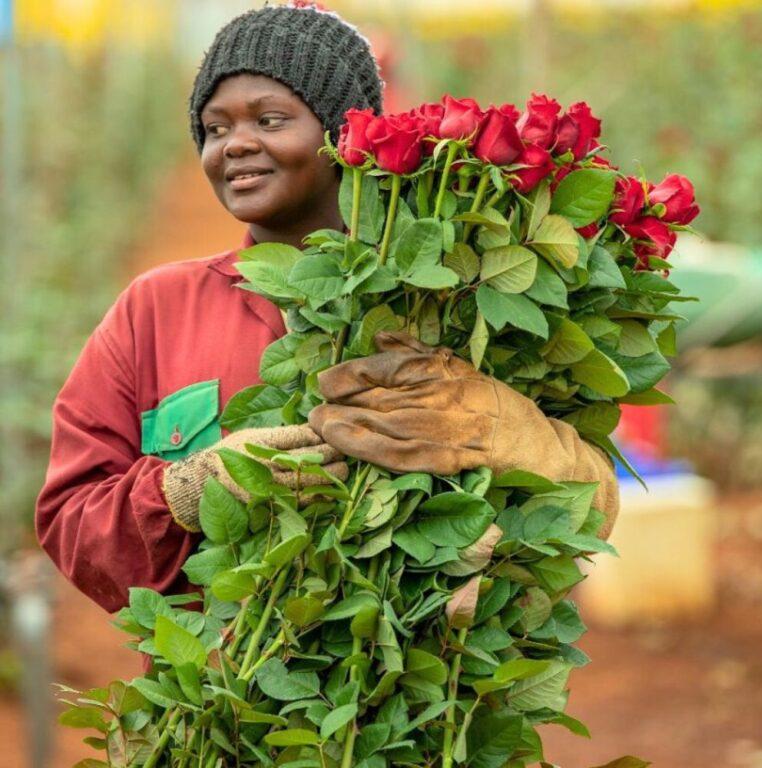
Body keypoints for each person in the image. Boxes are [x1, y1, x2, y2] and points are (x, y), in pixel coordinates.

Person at [35, 2, 619, 616]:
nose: (236, 144)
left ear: (343, 135)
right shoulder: (154, 311)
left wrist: (510, 443)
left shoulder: (444, 300)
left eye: (269, 118)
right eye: (214, 128)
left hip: (429, 690)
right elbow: (70, 523)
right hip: (221, 696)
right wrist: (183, 493)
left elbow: (587, 507)